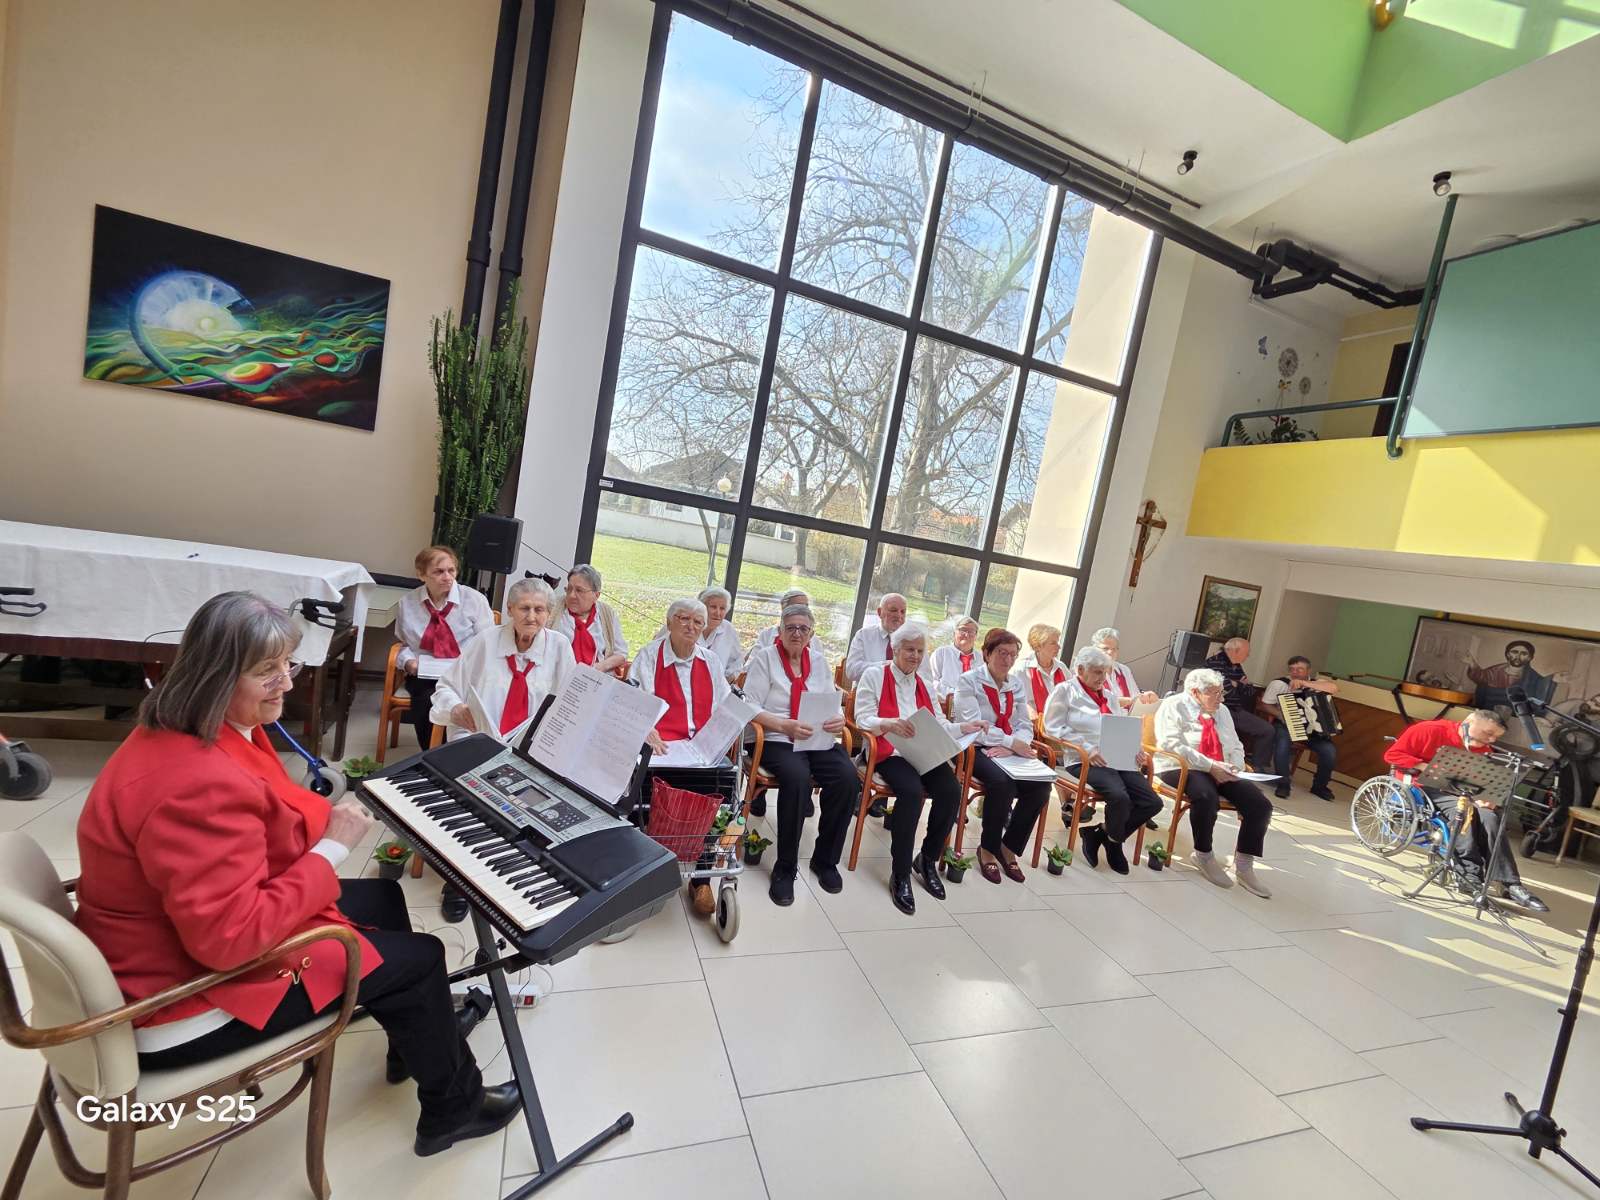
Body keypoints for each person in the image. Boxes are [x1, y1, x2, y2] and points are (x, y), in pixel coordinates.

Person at [73, 592, 518, 1158]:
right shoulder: (196, 783)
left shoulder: (184, 724)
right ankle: (454, 1109)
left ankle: (416, 1038)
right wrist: (331, 848)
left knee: (383, 899)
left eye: (288, 664)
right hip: (180, 1000)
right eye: (267, 670)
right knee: (423, 958)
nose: (285, 682)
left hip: (163, 944)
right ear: (215, 675)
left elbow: (258, 818)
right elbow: (230, 941)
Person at [855, 623, 987, 915]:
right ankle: (900, 872)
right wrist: (887, 723)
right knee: (912, 793)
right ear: (895, 649)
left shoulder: (924, 683)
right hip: (890, 752)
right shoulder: (875, 675)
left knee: (951, 791)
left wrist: (964, 727)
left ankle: (927, 859)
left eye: (919, 650)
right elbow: (861, 717)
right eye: (909, 649)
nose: (915, 656)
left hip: (923, 751)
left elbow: (939, 723)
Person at [742, 603, 855, 906]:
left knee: (847, 777)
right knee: (797, 778)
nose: (796, 633)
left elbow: (831, 702)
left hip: (814, 736)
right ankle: (785, 867)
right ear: (779, 631)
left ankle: (825, 860)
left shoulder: (817, 661)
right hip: (775, 736)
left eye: (803, 628)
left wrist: (838, 719)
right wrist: (784, 725)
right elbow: (749, 705)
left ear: (811, 634)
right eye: (790, 627)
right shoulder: (765, 658)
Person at [1383, 710, 1549, 912]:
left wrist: (1487, 798)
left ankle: (1510, 883)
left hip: (1459, 791)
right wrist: (1426, 766)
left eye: (1496, 737)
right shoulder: (1429, 729)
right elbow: (1392, 755)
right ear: (1469, 722)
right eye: (1488, 733)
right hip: (1423, 785)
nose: (1491, 740)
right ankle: (1469, 874)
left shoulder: (1484, 750)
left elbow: (1479, 783)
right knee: (1464, 812)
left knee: (1490, 818)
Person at [631, 597, 736, 916]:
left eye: (698, 622)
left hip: (699, 747)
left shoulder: (710, 661)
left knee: (725, 786)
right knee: (642, 790)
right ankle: (645, 866)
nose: (691, 626)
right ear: (669, 622)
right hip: (662, 748)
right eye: (683, 619)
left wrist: (723, 733)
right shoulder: (649, 656)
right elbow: (635, 700)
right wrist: (646, 727)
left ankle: (701, 879)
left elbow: (725, 704)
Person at [1153, 668, 1274, 897]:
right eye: (1215, 693)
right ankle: (1203, 854)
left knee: (1260, 805)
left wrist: (1235, 766)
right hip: (1180, 766)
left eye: (1221, 692)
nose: (1221, 698)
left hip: (1221, 767)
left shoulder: (1222, 711)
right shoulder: (1173, 706)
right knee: (1205, 796)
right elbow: (1171, 744)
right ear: (1195, 692)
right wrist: (1210, 766)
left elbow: (1236, 744)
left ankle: (1244, 865)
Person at [1044, 646, 1163, 875]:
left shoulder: (1108, 696)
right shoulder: (1065, 691)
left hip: (1116, 757)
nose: (1103, 678)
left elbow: (1120, 726)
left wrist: (1136, 749)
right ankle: (1115, 845)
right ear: (1080, 670)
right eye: (1097, 672)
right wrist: (1087, 749)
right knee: (1119, 797)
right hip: (1082, 759)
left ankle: (1102, 834)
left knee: (1152, 802)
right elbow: (1053, 728)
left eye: (1105, 672)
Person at [953, 628, 1050, 883]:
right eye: (1001, 653)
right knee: (1001, 783)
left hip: (1008, 749)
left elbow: (1024, 724)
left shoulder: (1015, 684)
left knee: (1041, 786)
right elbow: (974, 726)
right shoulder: (968, 681)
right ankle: (987, 848)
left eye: (1012, 655)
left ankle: (1008, 848)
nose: (1007, 660)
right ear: (986, 653)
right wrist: (1011, 742)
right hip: (974, 747)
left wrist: (1015, 746)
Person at [432, 578, 574, 743]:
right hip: (477, 738)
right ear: (510, 609)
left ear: (549, 614)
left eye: (539, 610)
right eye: (524, 608)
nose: (531, 617)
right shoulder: (486, 641)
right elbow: (446, 687)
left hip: (533, 745)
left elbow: (571, 704)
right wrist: (454, 708)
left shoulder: (560, 647)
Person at [394, 546, 495, 750]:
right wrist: (408, 663)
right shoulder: (408, 603)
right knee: (426, 699)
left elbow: (488, 644)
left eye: (451, 570)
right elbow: (403, 645)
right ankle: (433, 753)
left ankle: (459, 752)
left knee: (463, 701)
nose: (447, 577)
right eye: (439, 572)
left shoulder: (474, 600)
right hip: (425, 673)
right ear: (422, 574)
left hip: (465, 674)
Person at [1261, 656, 1340, 801]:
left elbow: (1334, 688)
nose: (1295, 672)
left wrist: (1304, 683)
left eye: (1300, 669)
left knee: (1329, 751)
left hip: (1313, 729)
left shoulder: (1317, 683)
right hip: (1286, 724)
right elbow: (1265, 704)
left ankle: (1320, 787)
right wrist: (1280, 715)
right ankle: (1283, 784)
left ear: (1308, 671)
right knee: (1282, 743)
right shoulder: (1279, 684)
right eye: (1292, 669)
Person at [1203, 638, 1273, 764]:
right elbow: (1226, 692)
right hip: (1219, 710)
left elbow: (1250, 691)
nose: (1248, 655)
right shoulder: (1214, 663)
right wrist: (1239, 685)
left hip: (1236, 710)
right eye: (1247, 652)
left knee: (1267, 730)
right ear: (1235, 651)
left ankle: (1257, 767)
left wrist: (1235, 684)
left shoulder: (1236, 666)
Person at [551, 564, 628, 677]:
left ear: (596, 595)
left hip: (596, 678)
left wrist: (599, 667)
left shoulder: (607, 613)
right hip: (558, 677)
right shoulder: (553, 608)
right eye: (569, 589)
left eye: (579, 590)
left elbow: (621, 653)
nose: (572, 595)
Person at [845, 593, 933, 686]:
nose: (899, 616)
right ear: (880, 612)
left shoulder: (914, 639)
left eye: (903, 612)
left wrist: (906, 676)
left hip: (904, 693)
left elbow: (926, 677)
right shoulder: (864, 635)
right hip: (869, 690)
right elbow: (851, 671)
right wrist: (888, 666)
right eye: (893, 610)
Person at [1465, 639, 1562, 710]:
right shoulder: (1494, 671)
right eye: (1514, 652)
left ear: (1529, 657)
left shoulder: (1533, 678)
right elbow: (1480, 677)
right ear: (1508, 654)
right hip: (1487, 711)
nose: (1518, 656)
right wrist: (1473, 664)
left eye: (1523, 653)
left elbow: (1541, 689)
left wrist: (1553, 679)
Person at [1089, 627, 1160, 709]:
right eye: (1105, 648)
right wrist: (1122, 702)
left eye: (1114, 649)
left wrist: (1146, 697)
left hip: (1126, 716)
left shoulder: (1124, 670)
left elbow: (1135, 698)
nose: (1110, 652)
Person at [745, 587, 810, 665]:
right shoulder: (767, 634)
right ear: (783, 607)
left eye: (806, 606)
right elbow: (752, 664)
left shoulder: (813, 640)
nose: (803, 610)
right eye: (797, 606)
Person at [1018, 623, 1068, 720]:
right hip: (1031, 723)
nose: (1059, 647)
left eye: (1057, 642)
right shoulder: (1022, 668)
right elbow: (1020, 701)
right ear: (1038, 646)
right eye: (1053, 643)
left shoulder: (1061, 667)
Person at [697, 585, 743, 681]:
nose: (718, 613)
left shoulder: (728, 629)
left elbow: (737, 661)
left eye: (722, 608)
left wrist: (728, 677)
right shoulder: (689, 626)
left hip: (718, 686)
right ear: (702, 607)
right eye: (713, 607)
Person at [930, 616, 980, 700]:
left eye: (971, 631)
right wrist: (955, 694)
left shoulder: (982, 659)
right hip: (944, 704)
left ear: (976, 636)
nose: (966, 635)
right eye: (963, 630)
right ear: (954, 633)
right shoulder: (941, 653)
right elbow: (931, 681)